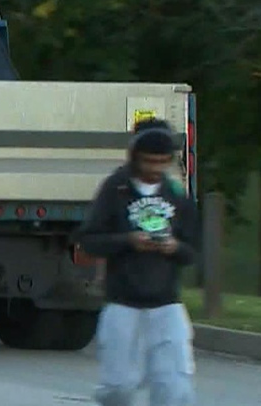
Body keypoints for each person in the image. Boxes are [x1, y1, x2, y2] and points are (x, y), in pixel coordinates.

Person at [73, 118, 199, 406]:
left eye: (162, 163)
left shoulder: (176, 195)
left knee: (174, 389)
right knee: (118, 388)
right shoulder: (115, 189)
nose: (155, 170)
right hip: (123, 304)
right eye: (148, 162)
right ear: (135, 157)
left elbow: (192, 250)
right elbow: (89, 239)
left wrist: (174, 247)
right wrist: (128, 241)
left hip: (166, 304)